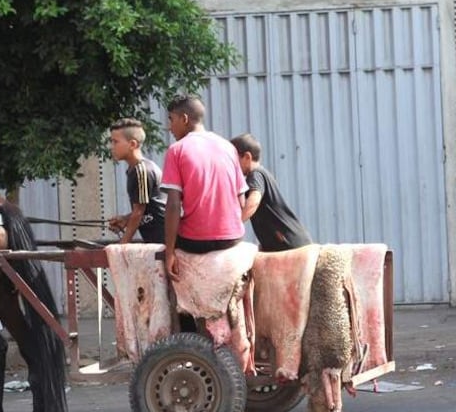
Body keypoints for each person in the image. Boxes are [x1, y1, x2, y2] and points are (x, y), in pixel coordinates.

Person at [160, 95, 247, 281]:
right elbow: (241, 200)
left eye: (171, 120)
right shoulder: (228, 147)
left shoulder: (177, 150)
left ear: (184, 119)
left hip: (196, 241)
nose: (169, 127)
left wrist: (169, 253)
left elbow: (173, 205)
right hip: (233, 237)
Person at [230, 133, 312, 252]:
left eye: (234, 160)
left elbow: (253, 202)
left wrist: (233, 224)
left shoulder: (256, 174)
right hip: (292, 242)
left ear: (247, 157)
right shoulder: (262, 174)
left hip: (289, 243)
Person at [105, 118, 166, 244]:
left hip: (165, 238)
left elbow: (139, 212)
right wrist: (126, 219)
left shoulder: (141, 170)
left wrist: (123, 244)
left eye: (115, 142)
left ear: (132, 144)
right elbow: (147, 208)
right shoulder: (134, 170)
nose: (112, 147)